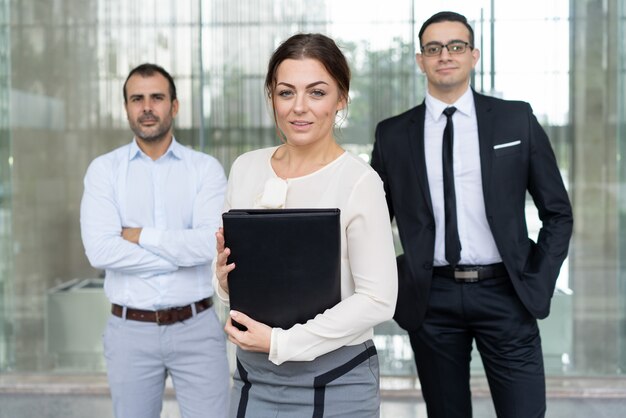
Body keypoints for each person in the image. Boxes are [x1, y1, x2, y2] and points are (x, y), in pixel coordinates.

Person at [371, 11, 573, 418]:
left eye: (456, 46)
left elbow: (558, 213)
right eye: (434, 48)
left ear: (473, 55)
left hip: (506, 292)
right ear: (420, 60)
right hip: (432, 299)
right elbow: (374, 222)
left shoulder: (516, 119)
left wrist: (538, 277)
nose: (445, 55)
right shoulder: (393, 133)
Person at [212, 33, 397, 417]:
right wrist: (225, 280)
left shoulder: (359, 181)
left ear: (341, 99)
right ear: (271, 97)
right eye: (285, 93)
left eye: (316, 92)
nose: (299, 108)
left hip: (338, 378)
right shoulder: (246, 168)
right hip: (253, 375)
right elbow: (230, 287)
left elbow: (379, 299)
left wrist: (281, 342)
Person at [80, 63, 229, 418]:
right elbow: (100, 250)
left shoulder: (205, 169)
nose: (147, 107)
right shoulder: (104, 171)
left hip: (198, 328)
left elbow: (210, 245)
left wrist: (141, 236)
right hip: (130, 332)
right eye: (137, 99)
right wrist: (179, 255)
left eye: (157, 98)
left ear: (174, 106)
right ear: (127, 108)